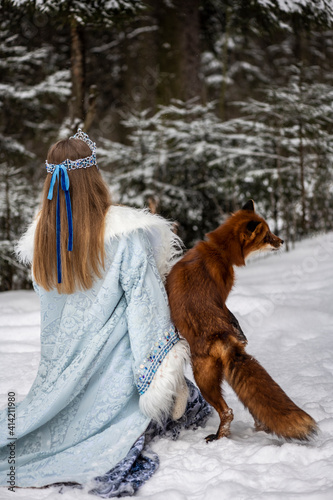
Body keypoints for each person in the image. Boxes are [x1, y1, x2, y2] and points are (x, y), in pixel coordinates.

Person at [0, 129, 210, 497]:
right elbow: (148, 312)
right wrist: (161, 380)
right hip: (117, 375)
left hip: (60, 376)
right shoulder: (128, 236)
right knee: (192, 408)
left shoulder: (42, 243)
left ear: (50, 180)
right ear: (94, 176)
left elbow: (54, 324)